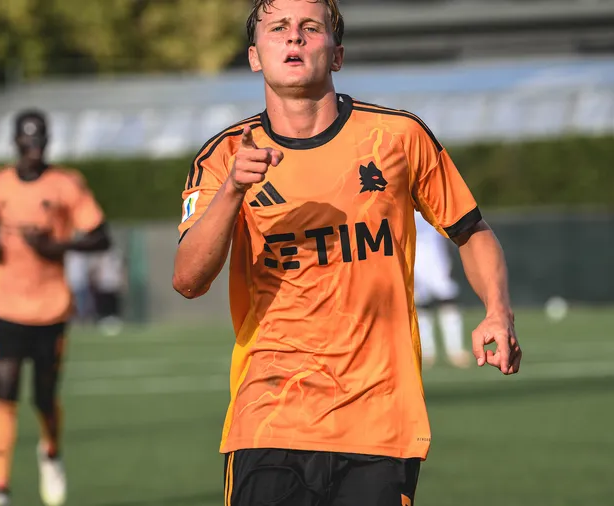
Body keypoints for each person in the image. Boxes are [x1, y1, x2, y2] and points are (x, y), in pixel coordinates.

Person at [173, 1, 522, 504]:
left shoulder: (398, 137)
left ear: (336, 55)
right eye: (278, 27)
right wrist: (232, 190)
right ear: (254, 56)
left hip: (380, 419)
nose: (294, 37)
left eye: (310, 27)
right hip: (269, 416)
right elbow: (188, 280)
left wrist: (497, 311)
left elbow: (472, 231)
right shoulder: (224, 156)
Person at [0, 109, 111, 506]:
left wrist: (58, 247)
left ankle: (51, 452)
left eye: (40, 139)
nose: (33, 147)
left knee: (44, 397)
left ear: (48, 141)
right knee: (4, 391)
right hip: (2, 304)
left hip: (50, 307)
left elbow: (101, 237)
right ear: (15, 141)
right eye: (27, 139)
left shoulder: (66, 184)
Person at [413, 210, 473, 369]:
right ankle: (426, 352)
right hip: (412, 259)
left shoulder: (431, 205)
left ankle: (455, 350)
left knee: (448, 301)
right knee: (420, 304)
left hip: (436, 258)